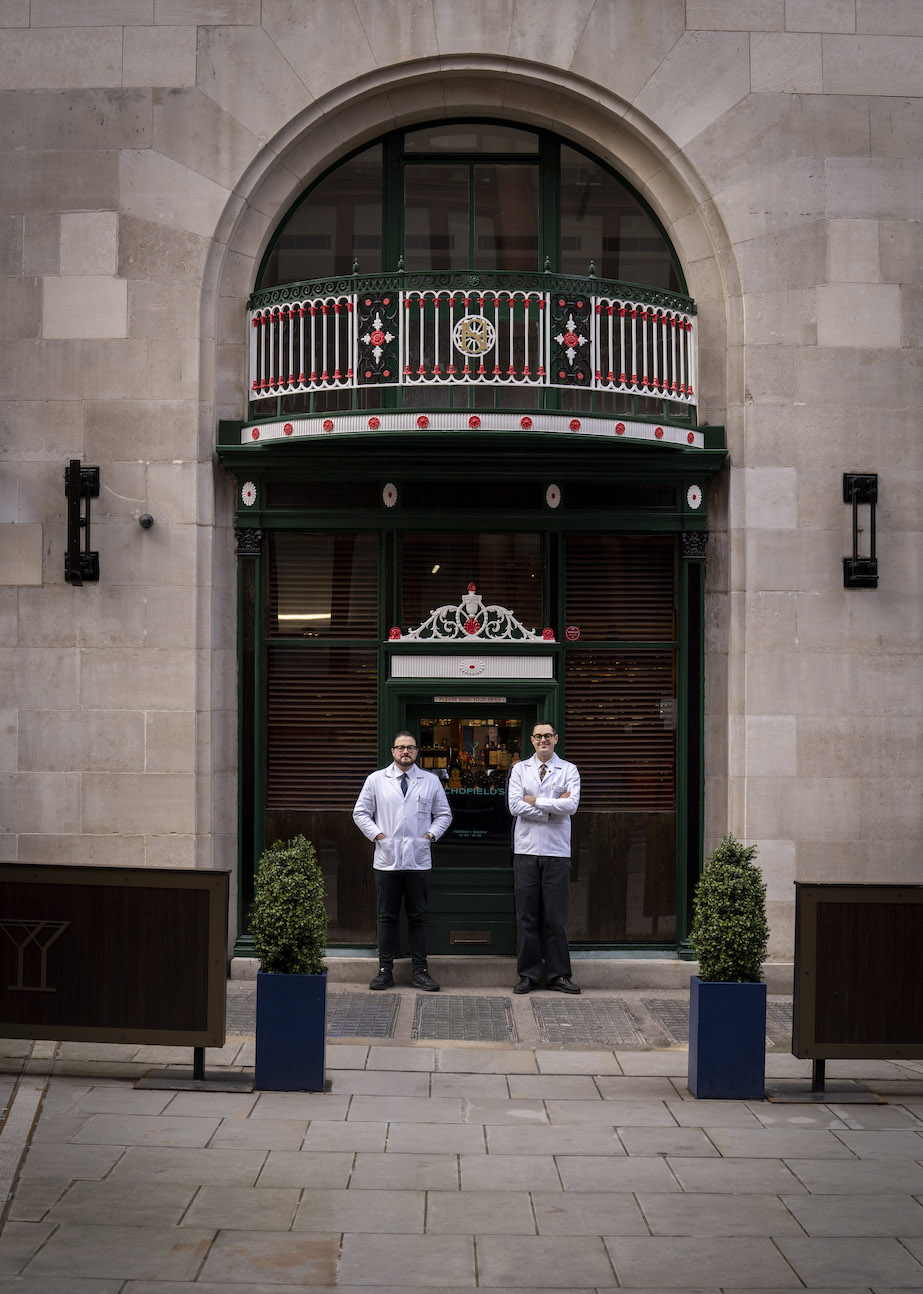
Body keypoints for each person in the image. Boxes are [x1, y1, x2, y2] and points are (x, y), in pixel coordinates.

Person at [352, 731, 452, 991]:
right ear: (393, 751)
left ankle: (420, 972)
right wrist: (379, 837)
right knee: (387, 917)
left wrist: (429, 836)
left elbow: (444, 814)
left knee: (418, 917)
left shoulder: (430, 781)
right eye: (400, 747)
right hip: (387, 860)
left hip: (418, 860)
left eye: (410, 748)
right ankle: (385, 971)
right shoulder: (376, 780)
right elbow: (360, 813)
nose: (405, 751)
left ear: (416, 751)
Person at [507, 721, 581, 994]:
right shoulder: (520, 769)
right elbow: (514, 805)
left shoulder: (569, 769)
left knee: (556, 918)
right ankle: (528, 975)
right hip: (526, 852)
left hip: (557, 852)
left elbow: (571, 805)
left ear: (556, 739)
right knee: (526, 917)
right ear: (532, 740)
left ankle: (558, 975)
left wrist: (535, 801)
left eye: (547, 736)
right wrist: (552, 810)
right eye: (538, 736)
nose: (543, 740)